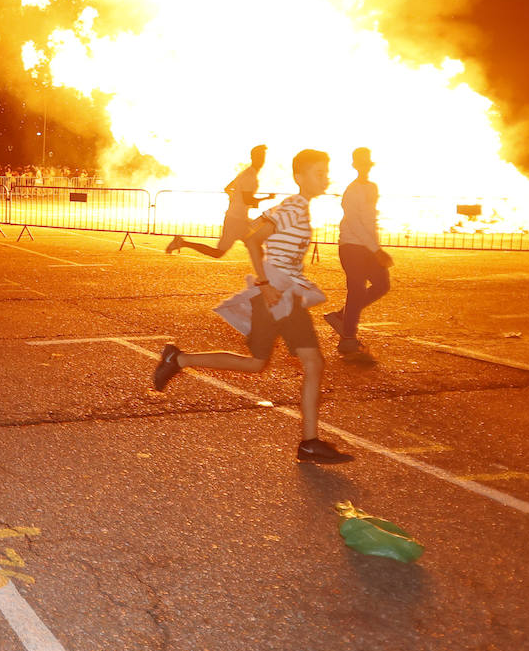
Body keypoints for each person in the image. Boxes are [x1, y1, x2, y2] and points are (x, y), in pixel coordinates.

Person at [152, 149, 353, 465]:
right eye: (319, 172)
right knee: (313, 364)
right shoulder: (293, 207)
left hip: (280, 295)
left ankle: (179, 358)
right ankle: (309, 442)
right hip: (280, 296)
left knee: (258, 363)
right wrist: (265, 283)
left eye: (326, 172)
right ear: (300, 177)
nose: (325, 177)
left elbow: (251, 232)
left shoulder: (294, 207)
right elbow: (252, 239)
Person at [324, 147, 392, 359]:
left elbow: (370, 222)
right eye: (361, 162)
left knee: (382, 284)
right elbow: (354, 223)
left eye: (367, 162)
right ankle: (348, 340)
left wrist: (375, 247)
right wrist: (376, 249)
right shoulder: (351, 191)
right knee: (356, 289)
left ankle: (342, 317)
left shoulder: (372, 187)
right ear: (355, 165)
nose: (365, 166)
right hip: (351, 246)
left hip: (368, 246)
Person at [167, 144, 273, 257]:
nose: (262, 161)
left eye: (263, 157)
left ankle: (267, 271)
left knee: (256, 246)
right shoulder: (249, 176)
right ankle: (182, 242)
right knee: (219, 253)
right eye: (260, 157)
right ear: (253, 158)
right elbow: (247, 200)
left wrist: (234, 199)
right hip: (235, 221)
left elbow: (227, 188)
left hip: (240, 219)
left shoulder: (246, 173)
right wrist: (266, 198)